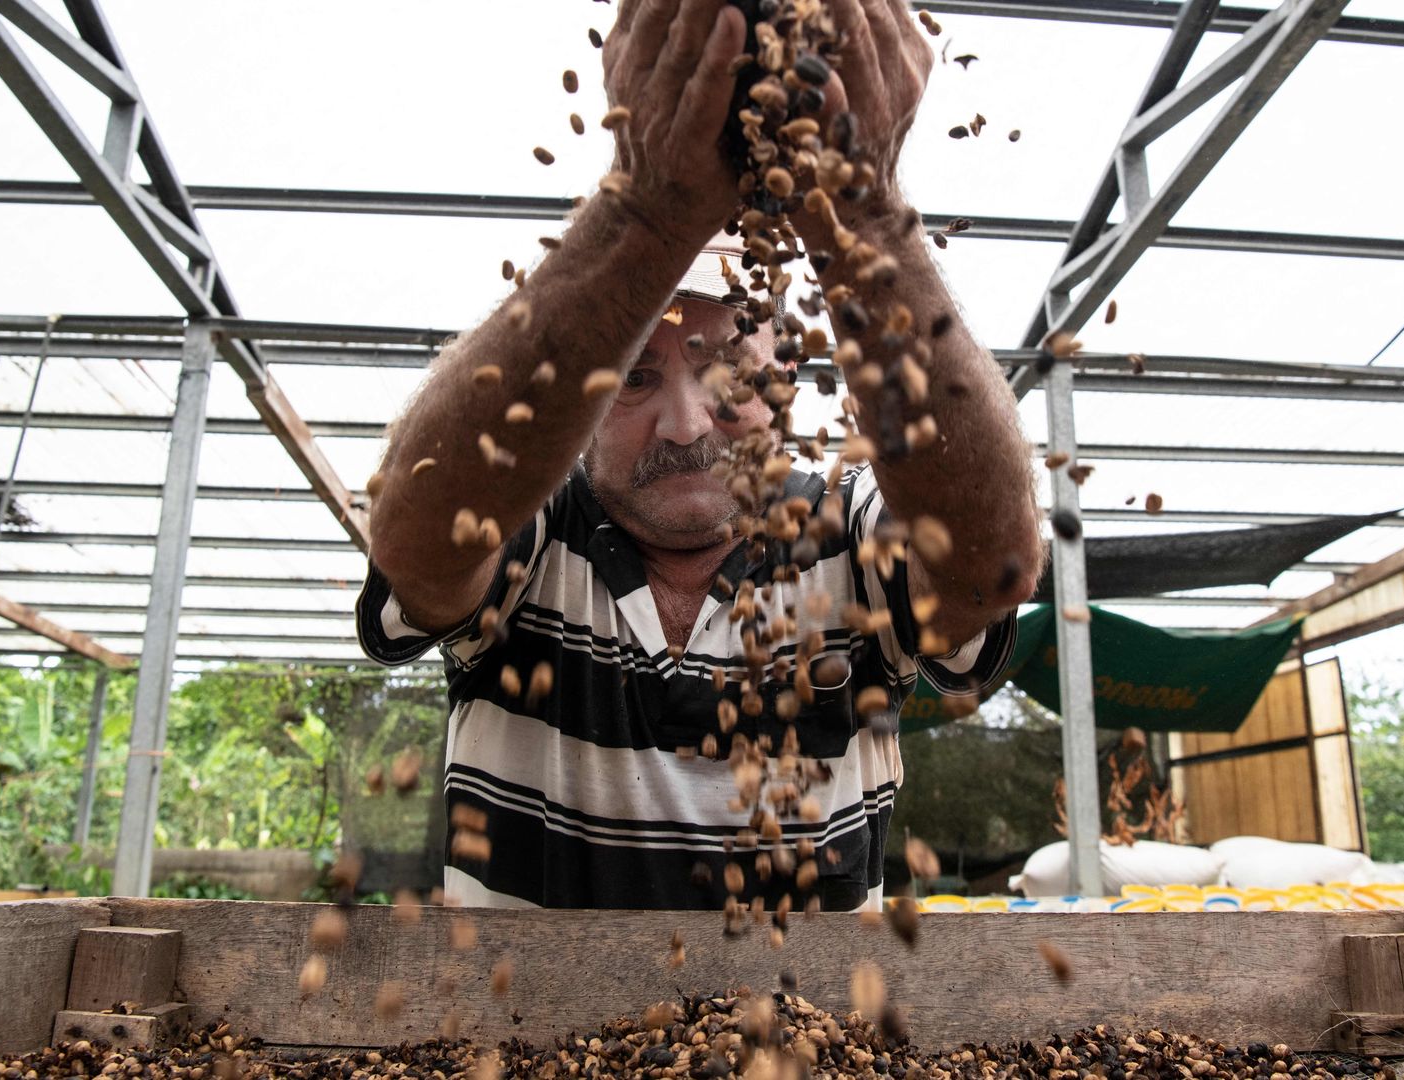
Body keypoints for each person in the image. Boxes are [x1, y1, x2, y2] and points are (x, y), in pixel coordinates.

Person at [356, 0, 1041, 909]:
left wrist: (864, 213)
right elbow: (417, 543)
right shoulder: (532, 528)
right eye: (630, 380)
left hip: (812, 1041)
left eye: (724, 371)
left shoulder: (851, 535)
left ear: (786, 376)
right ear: (579, 400)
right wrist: (644, 213)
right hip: (518, 1040)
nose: (684, 425)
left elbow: (989, 569)